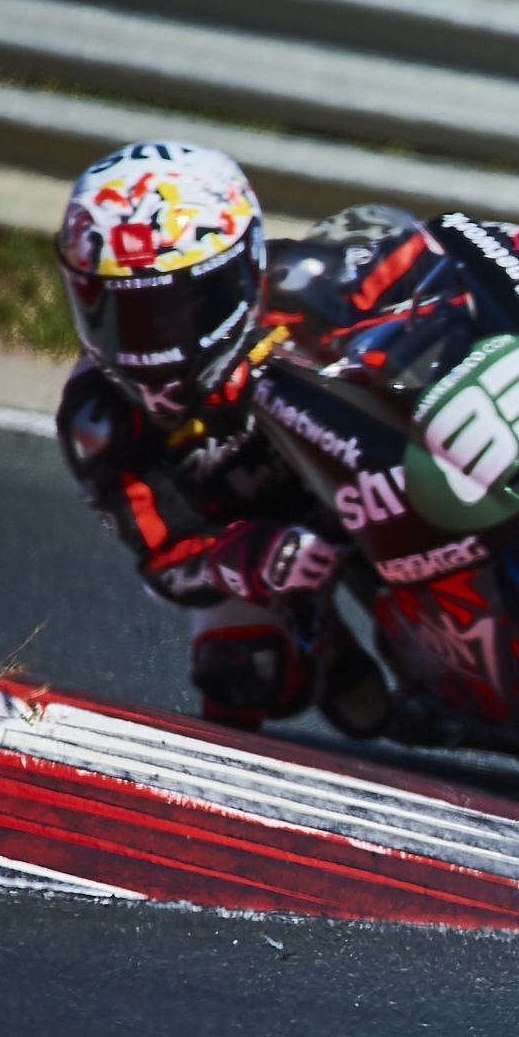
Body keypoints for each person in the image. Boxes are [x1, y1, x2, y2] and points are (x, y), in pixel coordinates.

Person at [51, 142, 386, 732]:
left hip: (376, 475)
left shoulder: (315, 285)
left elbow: (439, 288)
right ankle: (329, 654)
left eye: (179, 307)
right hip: (261, 538)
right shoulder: (97, 421)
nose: (154, 340)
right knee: (244, 674)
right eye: (126, 315)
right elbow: (165, 562)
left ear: (242, 270)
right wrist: (250, 559)